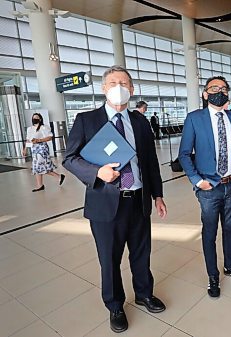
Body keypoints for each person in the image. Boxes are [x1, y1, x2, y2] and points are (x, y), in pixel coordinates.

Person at [63, 65, 167, 333]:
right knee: (109, 259)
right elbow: (70, 158)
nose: (118, 86)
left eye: (123, 82)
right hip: (106, 203)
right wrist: (97, 171)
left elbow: (151, 162)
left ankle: (144, 294)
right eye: (112, 82)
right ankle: (115, 305)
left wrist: (157, 194)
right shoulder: (86, 120)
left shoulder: (140, 121)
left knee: (141, 253)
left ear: (131, 90)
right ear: (103, 88)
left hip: (138, 200)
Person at [178, 76, 231, 298]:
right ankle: (213, 276)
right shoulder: (194, 119)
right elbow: (184, 154)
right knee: (209, 232)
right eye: (214, 88)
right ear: (205, 94)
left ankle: (230, 266)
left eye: (224, 88)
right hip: (209, 187)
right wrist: (197, 180)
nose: (220, 91)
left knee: (230, 229)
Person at [23, 113, 65, 192]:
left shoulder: (44, 128)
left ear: (40, 119)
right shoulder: (30, 129)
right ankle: (41, 184)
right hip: (34, 149)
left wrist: (39, 140)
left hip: (42, 148)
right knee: (37, 166)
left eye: (36, 118)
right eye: (33, 118)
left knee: (40, 165)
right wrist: (25, 148)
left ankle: (57, 177)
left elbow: (50, 137)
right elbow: (28, 139)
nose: (34, 119)